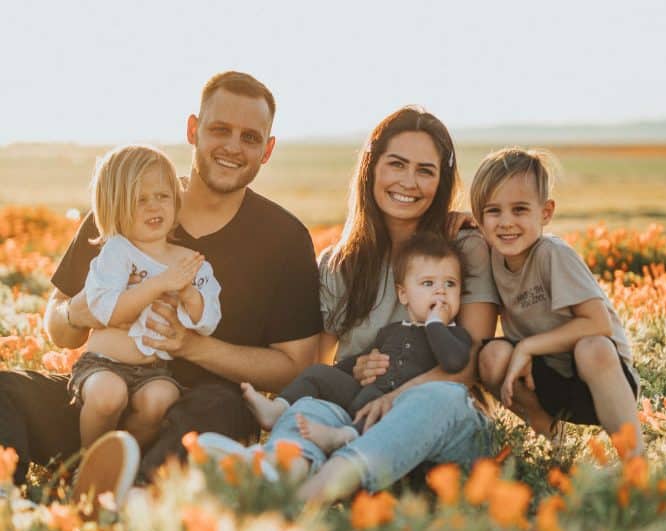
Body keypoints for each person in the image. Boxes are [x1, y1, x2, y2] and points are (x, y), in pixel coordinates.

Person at [0, 71, 322, 491]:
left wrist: (193, 346)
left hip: (199, 414)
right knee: (6, 390)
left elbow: (294, 368)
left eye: (250, 137)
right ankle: (12, 500)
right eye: (220, 130)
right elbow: (58, 329)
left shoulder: (285, 239)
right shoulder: (124, 209)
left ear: (268, 150)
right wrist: (79, 310)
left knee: (220, 410)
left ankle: (131, 495)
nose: (232, 147)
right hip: (103, 398)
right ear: (193, 130)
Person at [199, 106, 501, 504]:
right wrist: (353, 368)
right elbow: (314, 364)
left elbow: (468, 368)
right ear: (372, 169)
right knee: (311, 405)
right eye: (396, 164)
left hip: (445, 426)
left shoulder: (463, 248)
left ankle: (311, 495)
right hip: (358, 419)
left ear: (441, 181)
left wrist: (395, 396)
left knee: (434, 398)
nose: (409, 182)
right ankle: (278, 473)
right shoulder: (340, 264)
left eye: (425, 170)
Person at [471, 147, 643, 454]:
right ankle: (554, 441)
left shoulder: (553, 254)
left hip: (600, 380)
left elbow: (598, 323)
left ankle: (635, 461)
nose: (506, 222)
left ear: (546, 212)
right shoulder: (492, 258)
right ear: (479, 219)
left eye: (520, 210)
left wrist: (527, 346)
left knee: (593, 347)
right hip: (545, 380)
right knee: (490, 356)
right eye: (494, 211)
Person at [241, 232, 472, 454]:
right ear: (404, 295)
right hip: (363, 393)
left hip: (399, 407)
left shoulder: (456, 337)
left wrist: (435, 324)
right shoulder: (392, 331)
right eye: (428, 283)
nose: (441, 291)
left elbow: (453, 361)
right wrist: (349, 370)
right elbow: (358, 361)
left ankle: (343, 436)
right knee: (318, 373)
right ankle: (277, 409)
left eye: (450, 284)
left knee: (376, 409)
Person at [72, 145, 221, 448]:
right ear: (114, 206)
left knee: (161, 399)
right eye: (140, 200)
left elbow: (207, 321)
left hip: (153, 370)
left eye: (162, 196)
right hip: (103, 363)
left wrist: (189, 295)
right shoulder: (116, 252)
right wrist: (160, 284)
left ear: (176, 201)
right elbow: (108, 312)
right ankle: (88, 462)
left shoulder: (191, 261)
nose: (154, 207)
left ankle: (127, 461)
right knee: (107, 395)